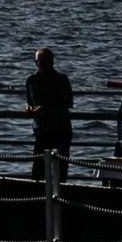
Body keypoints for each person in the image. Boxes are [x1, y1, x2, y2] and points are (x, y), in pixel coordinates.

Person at [24, 48, 74, 179]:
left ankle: (59, 196)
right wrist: (28, 108)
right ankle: (38, 196)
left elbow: (68, 102)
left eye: (49, 62)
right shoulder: (31, 80)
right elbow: (28, 100)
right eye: (43, 61)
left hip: (60, 131)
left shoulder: (61, 79)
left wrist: (47, 109)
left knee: (60, 172)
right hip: (41, 131)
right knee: (38, 171)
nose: (47, 65)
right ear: (36, 62)